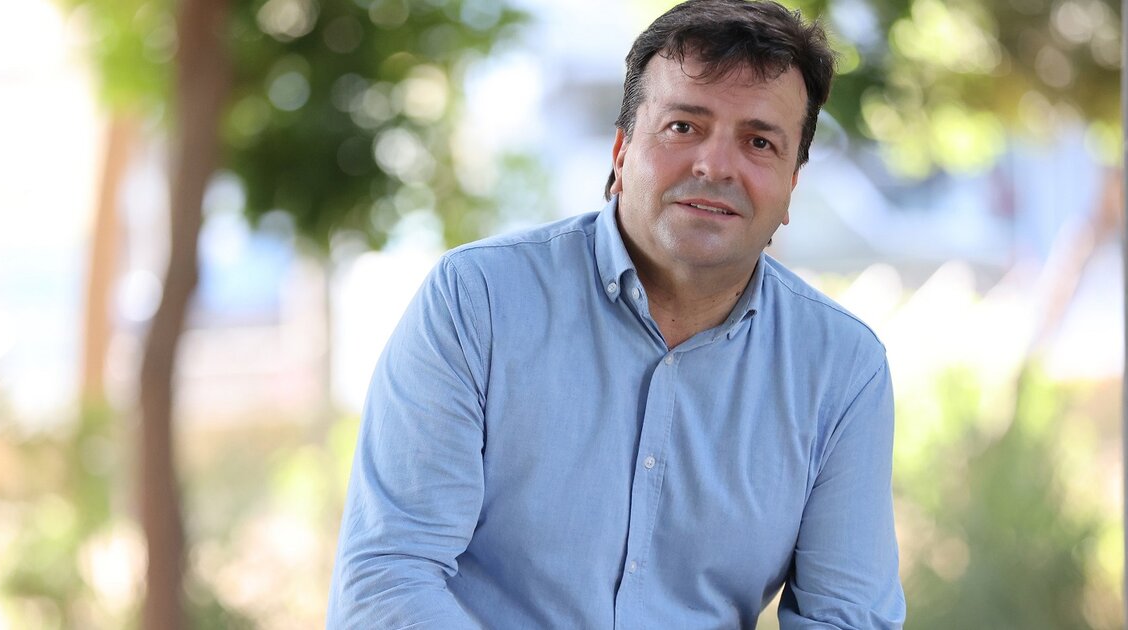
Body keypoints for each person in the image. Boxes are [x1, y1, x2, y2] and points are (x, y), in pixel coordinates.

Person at [326, 0, 905, 627]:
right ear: (621, 151)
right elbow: (388, 579)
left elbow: (847, 617)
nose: (715, 166)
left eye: (759, 142)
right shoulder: (478, 301)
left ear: (791, 185)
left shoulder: (842, 369)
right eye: (683, 126)